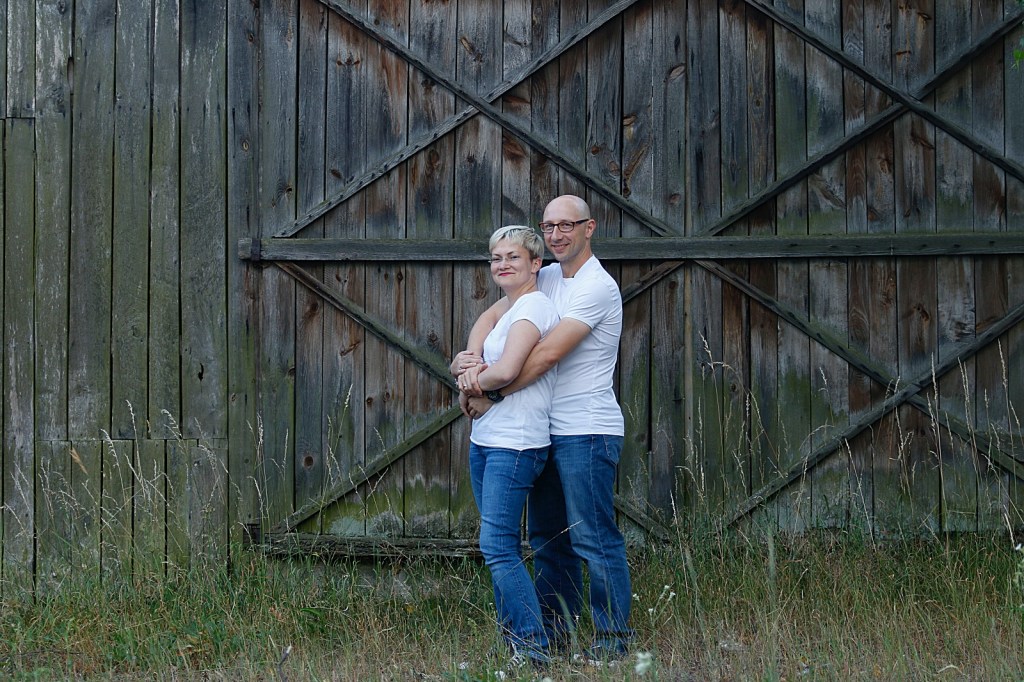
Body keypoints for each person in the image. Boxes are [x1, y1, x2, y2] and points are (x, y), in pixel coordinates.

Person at [458, 195, 633, 664]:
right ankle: (555, 635)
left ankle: (613, 642)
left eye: (566, 225)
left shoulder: (597, 287)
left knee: (593, 538)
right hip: (545, 430)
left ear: (589, 228)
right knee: (549, 539)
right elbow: (493, 314)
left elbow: (547, 355)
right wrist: (472, 358)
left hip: (586, 428)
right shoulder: (548, 276)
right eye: (549, 226)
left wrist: (492, 392)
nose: (556, 234)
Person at [450, 225, 560, 668]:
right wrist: (468, 358)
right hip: (487, 439)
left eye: (513, 257)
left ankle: (534, 649)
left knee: (498, 547)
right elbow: (485, 324)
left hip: (516, 444)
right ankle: (514, 644)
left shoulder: (534, 306)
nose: (502, 264)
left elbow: (509, 369)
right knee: (500, 547)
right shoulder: (511, 305)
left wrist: (469, 379)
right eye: (496, 258)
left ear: (536, 264)